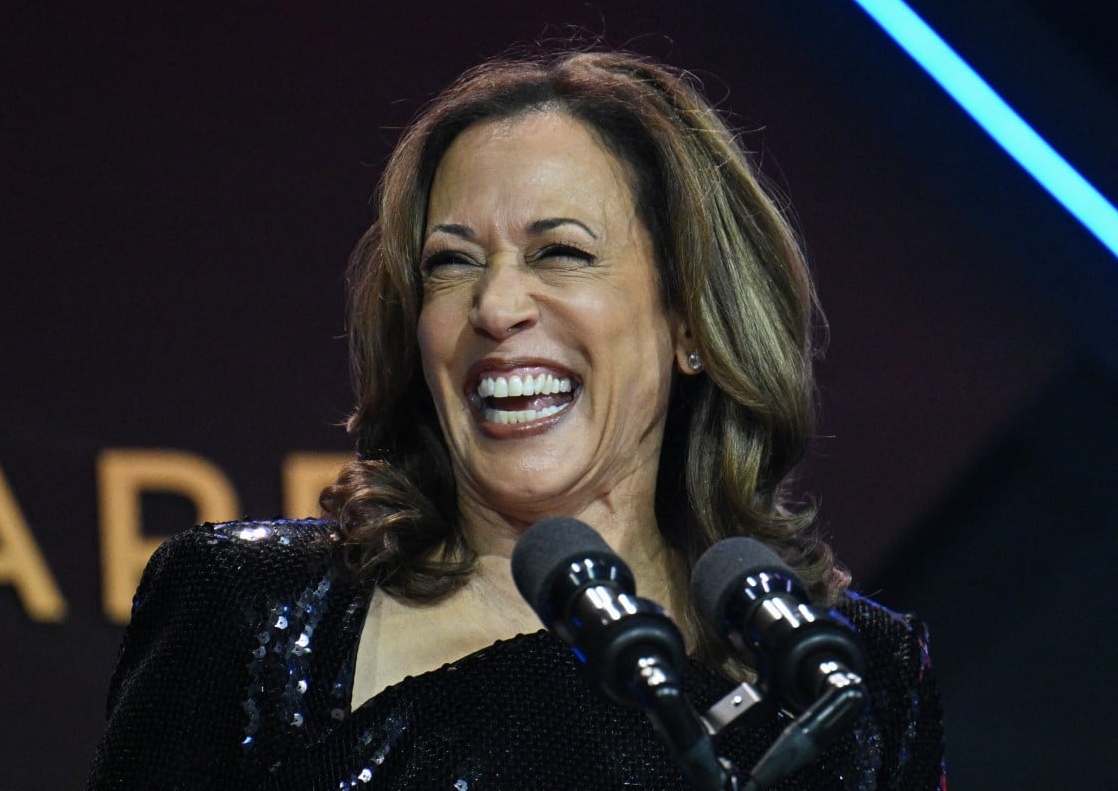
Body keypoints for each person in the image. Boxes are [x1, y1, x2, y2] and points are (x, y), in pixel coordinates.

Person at [87, 48, 945, 789]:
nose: (495, 306)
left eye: (560, 253)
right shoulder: (247, 610)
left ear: (690, 317)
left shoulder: (851, 685)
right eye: (451, 264)